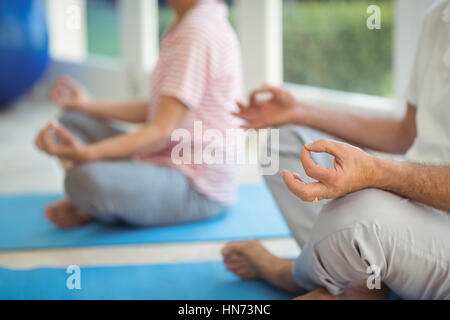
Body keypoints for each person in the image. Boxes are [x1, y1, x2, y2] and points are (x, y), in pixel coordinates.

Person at [223, 0, 450, 300]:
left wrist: (377, 173)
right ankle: (361, 283)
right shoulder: (438, 16)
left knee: (359, 213)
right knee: (286, 143)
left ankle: (292, 275)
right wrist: (300, 111)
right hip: (413, 209)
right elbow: (406, 133)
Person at [35, 0, 243, 229]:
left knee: (81, 180)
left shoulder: (198, 32)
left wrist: (89, 154)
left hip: (197, 186)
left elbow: (163, 130)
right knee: (73, 121)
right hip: (163, 157)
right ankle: (101, 203)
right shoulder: (185, 23)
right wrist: (87, 104)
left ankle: (92, 205)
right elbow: (158, 108)